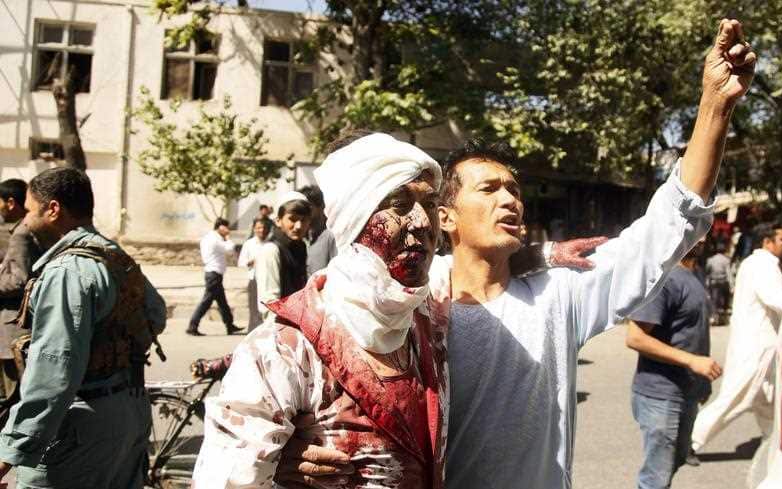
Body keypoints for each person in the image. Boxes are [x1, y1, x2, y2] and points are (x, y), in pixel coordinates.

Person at [275, 18, 757, 489]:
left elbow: (664, 229)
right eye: (488, 189)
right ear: (445, 216)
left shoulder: (561, 292)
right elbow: (310, 369)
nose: (510, 200)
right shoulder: (407, 299)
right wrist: (296, 446)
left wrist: (714, 106)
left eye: (513, 189)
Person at [192, 133, 451, 488]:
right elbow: (227, 479)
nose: (423, 222)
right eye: (399, 203)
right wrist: (274, 465)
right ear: (352, 218)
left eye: (431, 204)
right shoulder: (283, 348)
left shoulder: (430, 328)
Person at [0, 167, 167, 488]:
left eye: (30, 211)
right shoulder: (114, 255)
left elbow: (54, 370)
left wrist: (11, 452)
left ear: (53, 210)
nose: (25, 221)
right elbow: (155, 316)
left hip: (80, 425)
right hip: (128, 411)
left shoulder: (67, 271)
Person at [691, 223, 782, 473]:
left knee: (770, 402)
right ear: (767, 242)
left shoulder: (754, 264)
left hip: (762, 348)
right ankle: (688, 442)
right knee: (734, 399)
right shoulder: (763, 266)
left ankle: (778, 448)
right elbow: (779, 301)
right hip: (757, 349)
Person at [626, 241, 721, 489]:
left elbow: (691, 333)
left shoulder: (693, 273)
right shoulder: (664, 278)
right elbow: (635, 337)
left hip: (687, 392)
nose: (701, 238)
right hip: (660, 395)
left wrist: (701, 385)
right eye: (695, 230)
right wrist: (692, 361)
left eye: (704, 231)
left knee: (674, 462)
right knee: (656, 478)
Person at [0, 179, 43, 405]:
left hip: (13, 330)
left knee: (13, 398)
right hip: (14, 330)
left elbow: (18, 281)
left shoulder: (21, 234)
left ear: (10, 202)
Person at [254, 192, 312, 325]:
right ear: (278, 221)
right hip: (277, 330)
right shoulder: (271, 250)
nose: (298, 226)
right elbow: (269, 303)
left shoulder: (301, 247)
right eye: (292, 219)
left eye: (303, 220)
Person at [187, 218, 243, 336]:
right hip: (214, 274)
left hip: (214, 274)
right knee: (206, 302)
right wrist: (227, 237)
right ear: (220, 227)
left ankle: (230, 325)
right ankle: (192, 325)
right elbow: (229, 248)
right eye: (226, 227)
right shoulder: (214, 239)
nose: (228, 230)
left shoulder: (210, 237)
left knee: (222, 302)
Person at [238, 218, 271, 331]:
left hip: (268, 281)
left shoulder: (271, 244)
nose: (261, 230)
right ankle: (252, 333)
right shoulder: (249, 244)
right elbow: (241, 262)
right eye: (258, 228)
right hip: (254, 280)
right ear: (254, 229)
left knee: (266, 309)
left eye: (264, 228)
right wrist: (250, 262)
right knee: (254, 309)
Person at [299, 185, 337, 275]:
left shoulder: (331, 236)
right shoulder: (301, 237)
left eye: (308, 208)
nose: (304, 213)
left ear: (321, 207)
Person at [706, 241, 733, 325]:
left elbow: (707, 271)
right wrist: (732, 285)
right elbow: (729, 273)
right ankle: (723, 319)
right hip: (723, 282)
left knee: (714, 301)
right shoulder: (726, 260)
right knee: (724, 301)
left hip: (714, 282)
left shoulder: (710, 260)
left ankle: (715, 318)